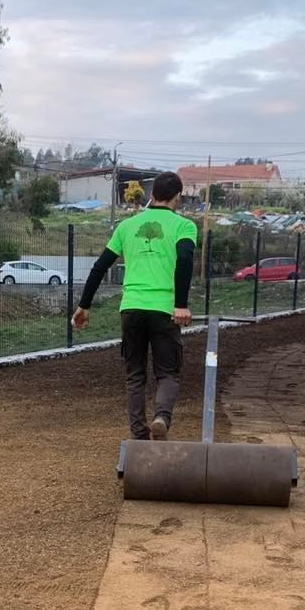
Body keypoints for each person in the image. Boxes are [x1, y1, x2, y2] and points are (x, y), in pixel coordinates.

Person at [72, 171, 197, 440]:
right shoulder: (184, 227)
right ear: (178, 197)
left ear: (152, 196)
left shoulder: (127, 227)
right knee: (167, 373)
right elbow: (185, 260)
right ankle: (161, 417)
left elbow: (100, 267)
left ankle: (139, 438)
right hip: (164, 310)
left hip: (131, 309)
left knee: (135, 376)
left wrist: (84, 305)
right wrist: (181, 304)